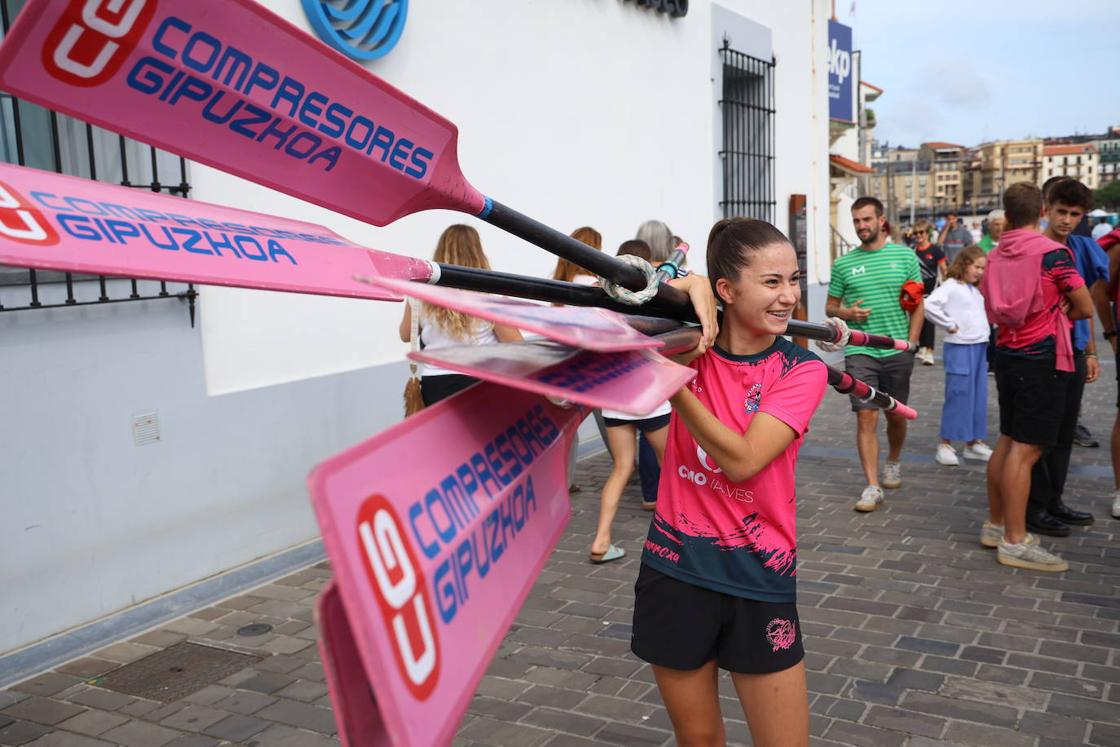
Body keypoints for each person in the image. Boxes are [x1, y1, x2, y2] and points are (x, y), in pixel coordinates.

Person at [632, 218, 826, 747]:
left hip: (758, 577)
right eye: (771, 282)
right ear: (726, 289)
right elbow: (626, 298)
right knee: (698, 740)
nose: (789, 296)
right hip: (675, 571)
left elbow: (743, 461)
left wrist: (670, 380)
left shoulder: (801, 369)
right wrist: (684, 285)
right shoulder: (685, 340)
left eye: (794, 279)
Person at [980, 182, 1092, 572]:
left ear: (1007, 216)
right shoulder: (1052, 254)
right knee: (1026, 451)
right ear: (1043, 209)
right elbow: (1085, 307)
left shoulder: (994, 255)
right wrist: (1059, 308)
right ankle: (1015, 540)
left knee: (1008, 439)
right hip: (1042, 358)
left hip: (1007, 353)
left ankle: (995, 525)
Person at [826, 197, 923, 512]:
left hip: (897, 349)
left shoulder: (905, 256)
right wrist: (846, 311)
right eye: (856, 221)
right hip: (860, 350)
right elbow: (830, 306)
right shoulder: (843, 264)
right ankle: (872, 486)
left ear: (882, 220)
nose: (861, 226)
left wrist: (912, 342)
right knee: (865, 416)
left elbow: (917, 303)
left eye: (866, 219)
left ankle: (893, 460)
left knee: (895, 414)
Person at [1022, 178, 1105, 537]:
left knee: (1064, 430)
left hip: (1072, 349)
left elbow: (1088, 308)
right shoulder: (1033, 249)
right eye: (1061, 212)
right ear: (1047, 208)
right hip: (1040, 351)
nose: (1067, 220)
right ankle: (1034, 506)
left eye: (1074, 214)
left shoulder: (1082, 249)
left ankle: (1053, 499)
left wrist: (1090, 351)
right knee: (1041, 432)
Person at [398, 225, 523, 405]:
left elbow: (404, 334)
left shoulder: (421, 293)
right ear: (478, 253)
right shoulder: (491, 294)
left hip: (435, 382)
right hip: (482, 380)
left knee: (443, 433)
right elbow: (515, 344)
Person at [924, 246, 991, 466]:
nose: (980, 272)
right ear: (964, 263)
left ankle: (973, 442)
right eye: (976, 267)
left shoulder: (973, 289)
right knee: (958, 394)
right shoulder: (951, 286)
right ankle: (945, 444)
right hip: (961, 347)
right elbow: (929, 305)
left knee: (977, 396)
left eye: (983, 268)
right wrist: (949, 324)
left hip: (979, 346)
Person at [911, 219, 946, 365]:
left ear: (927, 234)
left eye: (921, 232)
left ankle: (929, 351)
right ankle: (922, 347)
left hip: (931, 291)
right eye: (916, 233)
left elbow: (944, 269)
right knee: (919, 320)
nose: (918, 235)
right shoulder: (912, 252)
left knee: (929, 321)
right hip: (916, 292)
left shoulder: (935, 250)